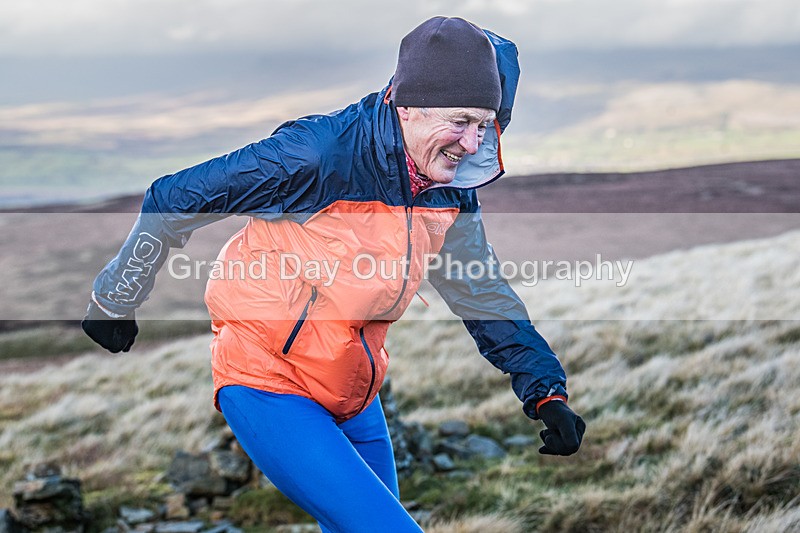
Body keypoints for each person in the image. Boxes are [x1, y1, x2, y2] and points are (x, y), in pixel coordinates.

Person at [82, 16, 586, 532]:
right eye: (461, 121)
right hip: (269, 383)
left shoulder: (449, 190)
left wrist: (545, 391)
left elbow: (481, 293)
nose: (475, 143)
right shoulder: (318, 155)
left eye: (487, 124)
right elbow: (173, 198)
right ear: (407, 105)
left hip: (354, 391)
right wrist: (115, 298)